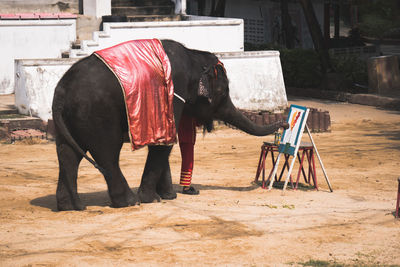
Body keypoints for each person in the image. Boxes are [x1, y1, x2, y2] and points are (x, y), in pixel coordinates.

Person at [178, 113, 199, 195]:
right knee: (188, 162)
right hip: (187, 137)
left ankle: (186, 184)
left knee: (187, 160)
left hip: (183, 136)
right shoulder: (188, 111)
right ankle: (186, 186)